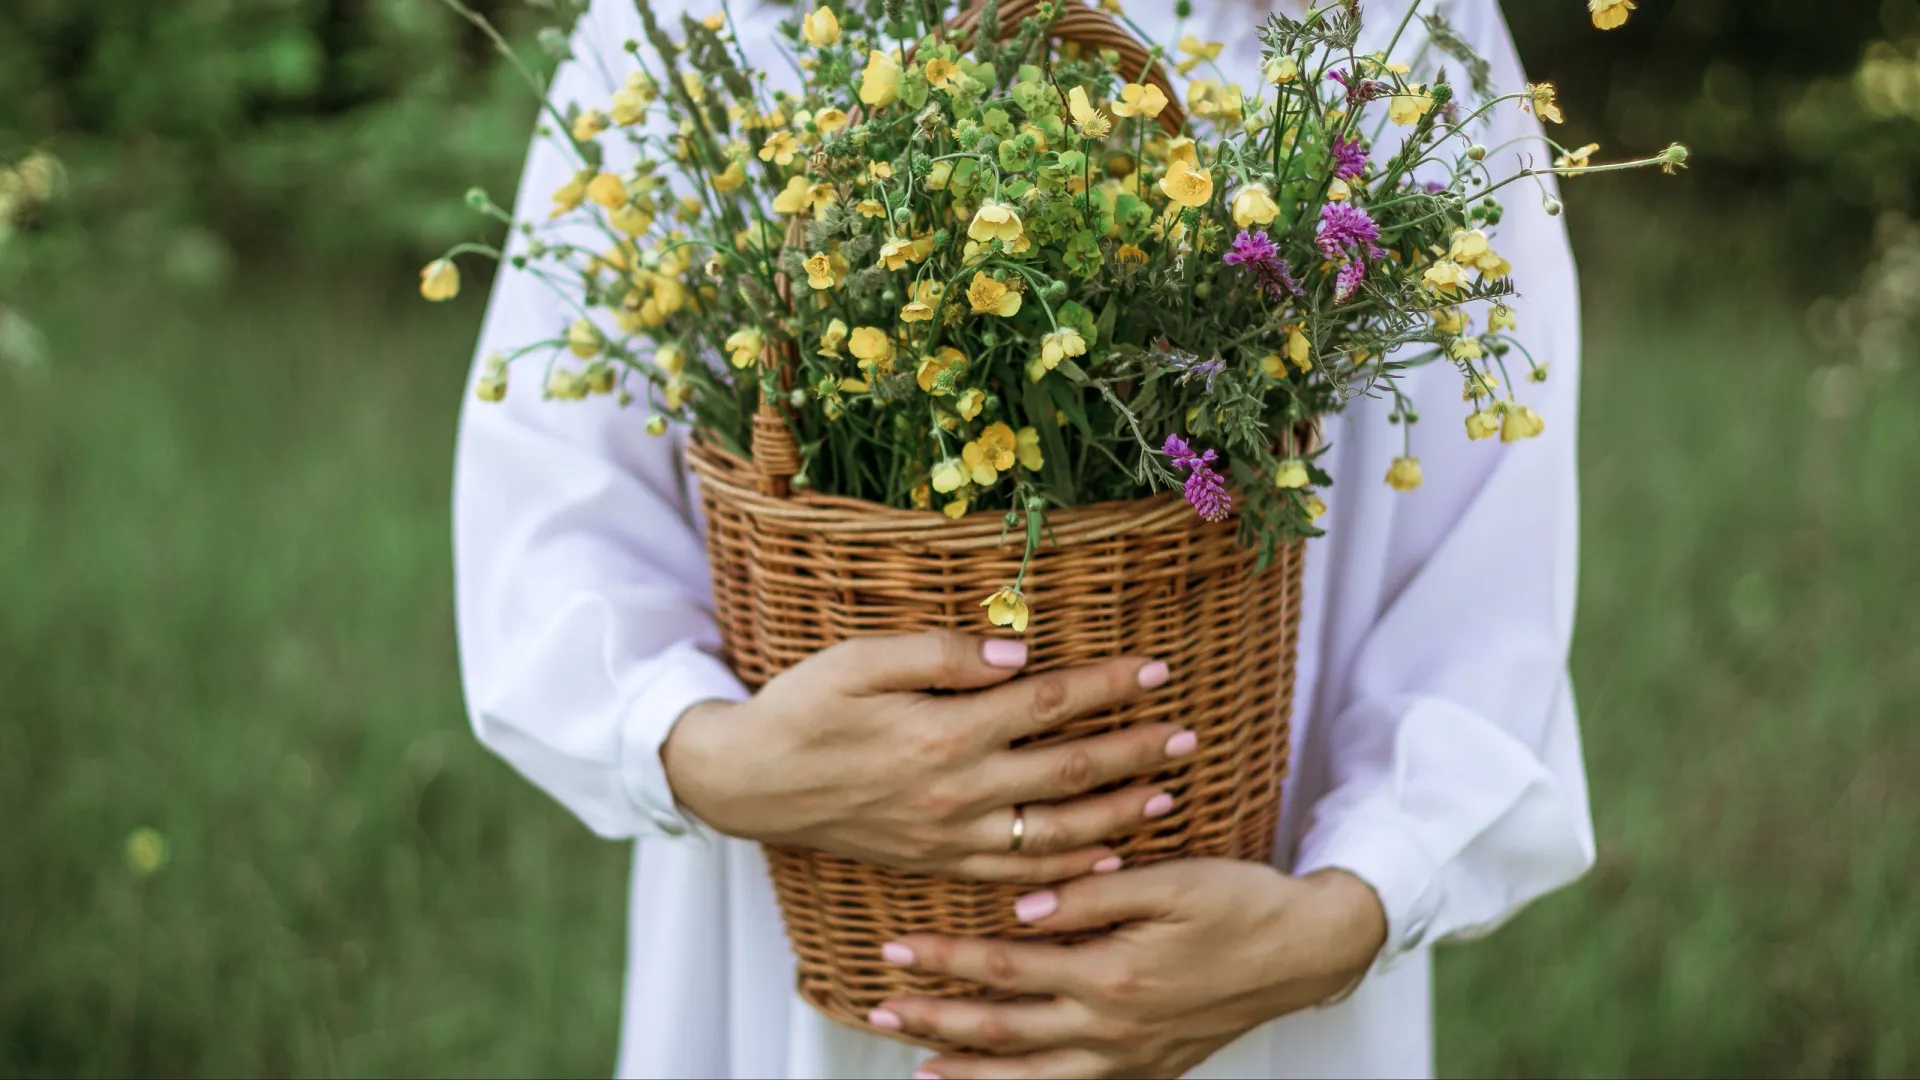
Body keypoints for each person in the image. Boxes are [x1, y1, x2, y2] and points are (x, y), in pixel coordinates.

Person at [453, 0, 1595, 1076]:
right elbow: (550, 507)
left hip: (1238, 974)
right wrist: (715, 760)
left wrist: (1345, 914)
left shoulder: (1395, 29)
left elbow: (1491, 564)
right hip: (811, 911)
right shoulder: (696, 25)